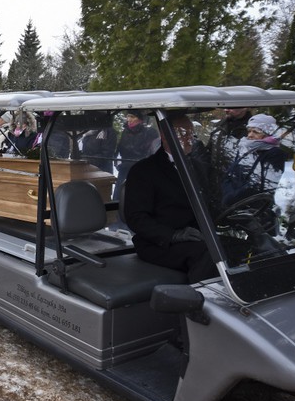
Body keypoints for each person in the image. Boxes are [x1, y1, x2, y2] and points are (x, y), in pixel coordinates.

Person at [124, 114, 216, 283]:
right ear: (165, 136)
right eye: (183, 133)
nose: (189, 139)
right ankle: (197, 304)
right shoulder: (144, 171)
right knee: (208, 254)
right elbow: (136, 218)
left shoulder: (198, 167)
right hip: (158, 242)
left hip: (196, 235)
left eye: (191, 133)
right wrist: (173, 235)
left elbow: (210, 202)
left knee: (238, 247)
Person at [220, 114, 285, 207]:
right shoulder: (245, 149)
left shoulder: (274, 153)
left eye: (256, 132)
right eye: (249, 131)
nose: (250, 135)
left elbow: (262, 184)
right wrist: (228, 195)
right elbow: (229, 175)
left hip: (256, 208)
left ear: (267, 133)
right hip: (233, 205)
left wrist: (232, 198)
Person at [113, 110, 159, 203]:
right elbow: (119, 150)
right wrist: (117, 162)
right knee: (118, 198)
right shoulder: (125, 132)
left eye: (132, 117)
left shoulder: (150, 132)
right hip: (124, 169)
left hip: (141, 170)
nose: (129, 119)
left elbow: (152, 154)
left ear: (140, 119)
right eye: (128, 116)